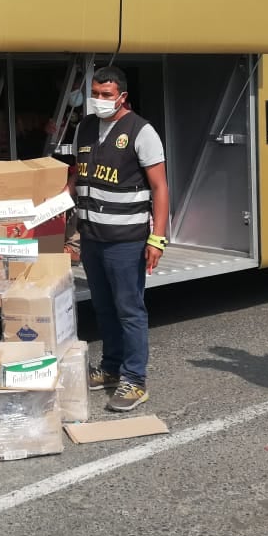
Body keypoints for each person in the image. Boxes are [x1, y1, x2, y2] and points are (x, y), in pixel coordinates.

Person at [66, 66, 170, 412]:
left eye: (107, 95)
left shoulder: (142, 132)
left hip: (126, 240)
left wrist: (157, 239)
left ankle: (134, 380)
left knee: (129, 310)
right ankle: (111, 368)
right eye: (96, 93)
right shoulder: (85, 127)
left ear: (122, 96)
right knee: (103, 306)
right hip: (92, 237)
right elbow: (76, 177)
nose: (100, 100)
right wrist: (51, 209)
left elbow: (160, 188)